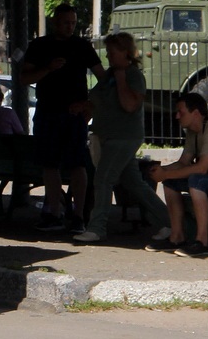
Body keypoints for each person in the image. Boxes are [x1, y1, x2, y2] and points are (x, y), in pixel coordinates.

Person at [72, 32, 171, 244]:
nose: (108, 56)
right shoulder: (109, 75)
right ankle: (171, 222)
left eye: (111, 52)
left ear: (125, 52)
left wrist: (121, 80)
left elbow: (129, 105)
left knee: (103, 178)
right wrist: (83, 106)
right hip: (107, 135)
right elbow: (96, 98)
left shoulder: (133, 75)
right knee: (134, 184)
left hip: (123, 137)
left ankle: (97, 228)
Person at [20, 2, 99, 234]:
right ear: (55, 22)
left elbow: (102, 77)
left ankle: (78, 215)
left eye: (73, 23)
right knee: (49, 164)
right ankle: (53, 212)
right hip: (48, 112)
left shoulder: (82, 46)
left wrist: (89, 104)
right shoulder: (40, 45)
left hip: (74, 115)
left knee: (77, 164)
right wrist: (48, 69)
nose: (70, 27)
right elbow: (24, 78)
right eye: (66, 23)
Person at [146, 92, 208, 257]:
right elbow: (184, 162)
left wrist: (166, 174)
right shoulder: (194, 130)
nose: (177, 116)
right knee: (171, 183)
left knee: (196, 181)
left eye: (181, 112)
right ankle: (176, 237)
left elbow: (202, 168)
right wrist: (163, 171)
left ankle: (202, 242)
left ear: (196, 113)